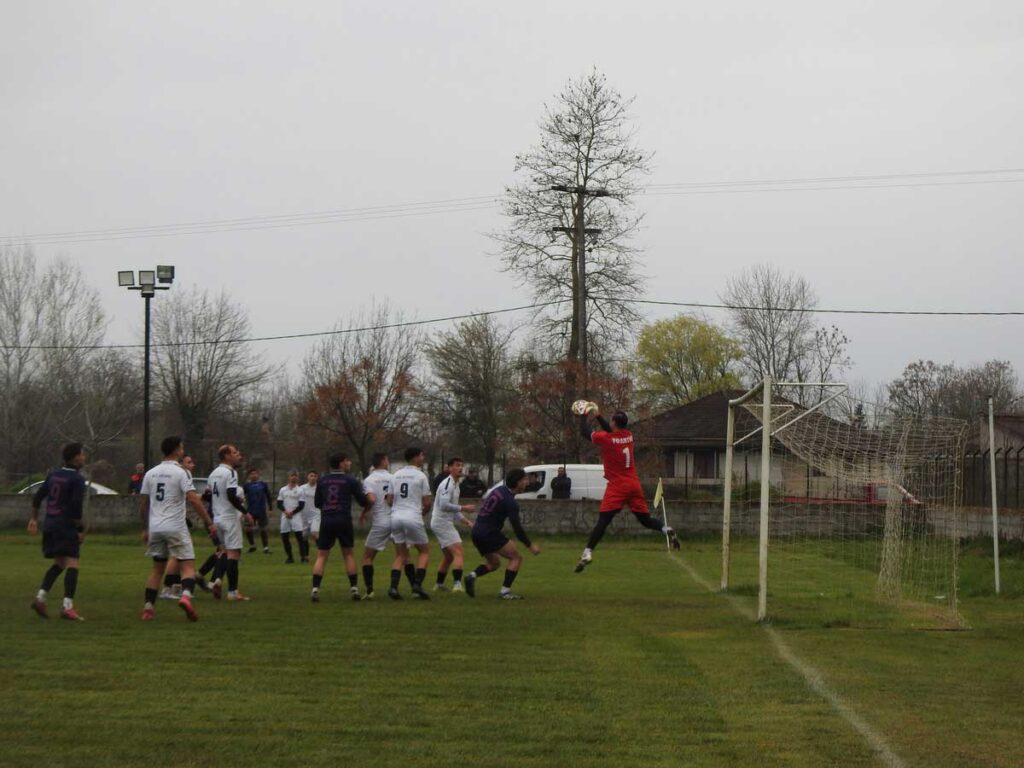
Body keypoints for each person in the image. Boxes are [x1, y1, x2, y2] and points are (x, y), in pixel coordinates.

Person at [575, 407, 679, 573]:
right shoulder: (628, 436)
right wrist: (599, 416)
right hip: (633, 484)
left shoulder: (607, 439)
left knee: (603, 521)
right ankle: (665, 529)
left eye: (611, 420)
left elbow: (585, 433)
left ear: (614, 422)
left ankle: (588, 552)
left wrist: (582, 415)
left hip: (618, 486)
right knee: (645, 520)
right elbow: (612, 431)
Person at [138, 436, 217, 621]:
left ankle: (148, 608)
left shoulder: (150, 473)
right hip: (175, 526)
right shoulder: (181, 473)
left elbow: (143, 505)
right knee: (187, 566)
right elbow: (193, 499)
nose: (183, 450)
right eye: (181, 448)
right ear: (176, 450)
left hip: (156, 527)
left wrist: (145, 528)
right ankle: (186, 597)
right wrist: (208, 522)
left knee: (157, 569)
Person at [28, 442, 88, 621]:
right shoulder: (77, 480)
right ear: (76, 457)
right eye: (82, 454)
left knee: (60, 563)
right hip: (65, 525)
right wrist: (79, 529)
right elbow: (76, 507)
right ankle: (67, 607)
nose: (84, 457)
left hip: (50, 524)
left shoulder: (53, 474)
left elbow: (38, 497)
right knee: (72, 563)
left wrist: (33, 518)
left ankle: (40, 598)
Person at [465, 468, 541, 600]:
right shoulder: (510, 502)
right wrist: (530, 546)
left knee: (494, 563)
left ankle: (472, 576)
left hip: (477, 531)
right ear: (518, 482)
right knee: (516, 558)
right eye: (525, 479)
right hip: (489, 533)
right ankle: (505, 592)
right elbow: (517, 528)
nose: (527, 482)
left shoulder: (498, 490)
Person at [310, 453, 373, 603]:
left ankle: (315, 589)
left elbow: (317, 503)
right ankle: (354, 589)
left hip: (327, 519)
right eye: (347, 461)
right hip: (343, 519)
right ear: (341, 464)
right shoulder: (350, 480)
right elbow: (363, 501)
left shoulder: (323, 480)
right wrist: (369, 498)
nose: (349, 463)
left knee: (322, 555)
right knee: (348, 554)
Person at [207, 445, 254, 601]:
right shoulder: (230, 472)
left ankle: (217, 580)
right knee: (234, 554)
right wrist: (245, 512)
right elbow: (231, 495)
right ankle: (233, 592)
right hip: (229, 518)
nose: (238, 455)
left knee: (224, 552)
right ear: (227, 456)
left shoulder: (213, 473)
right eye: (235, 453)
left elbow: (209, 495)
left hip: (217, 518)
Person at [387, 446, 433, 600]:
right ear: (414, 457)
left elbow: (389, 499)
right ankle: (417, 584)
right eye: (421, 455)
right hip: (412, 516)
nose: (423, 458)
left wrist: (397, 508)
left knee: (401, 554)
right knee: (424, 551)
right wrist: (422, 513)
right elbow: (427, 502)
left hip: (396, 517)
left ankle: (393, 587)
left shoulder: (396, 474)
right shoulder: (421, 476)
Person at [429, 457, 475, 592]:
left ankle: (438, 585)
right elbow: (444, 505)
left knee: (449, 556)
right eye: (456, 465)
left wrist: (465, 520)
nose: (460, 468)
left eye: (461, 465)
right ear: (449, 468)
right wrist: (464, 508)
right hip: (441, 523)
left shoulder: (456, 485)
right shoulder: (447, 484)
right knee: (458, 552)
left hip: (443, 522)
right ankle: (457, 585)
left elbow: (453, 508)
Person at [359, 452, 395, 599]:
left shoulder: (369, 480)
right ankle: (412, 586)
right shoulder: (393, 478)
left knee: (367, 557)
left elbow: (372, 499)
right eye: (387, 459)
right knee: (403, 556)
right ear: (384, 461)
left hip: (381, 522)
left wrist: (364, 511)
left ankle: (369, 590)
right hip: (396, 519)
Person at [277, 470, 306, 564]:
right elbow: (279, 504)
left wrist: (292, 513)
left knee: (299, 537)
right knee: (285, 537)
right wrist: (285, 512)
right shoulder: (283, 490)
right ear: (288, 477)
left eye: (295, 476)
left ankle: (303, 557)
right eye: (292, 475)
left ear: (297, 477)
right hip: (285, 516)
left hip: (296, 516)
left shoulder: (301, 490)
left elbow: (301, 505)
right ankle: (290, 557)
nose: (293, 477)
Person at [243, 468, 273, 554]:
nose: (254, 475)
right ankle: (252, 545)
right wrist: (243, 510)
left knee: (263, 529)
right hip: (250, 511)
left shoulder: (263, 484)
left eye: (255, 474)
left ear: (258, 475)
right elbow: (242, 497)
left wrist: (270, 509)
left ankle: (266, 548)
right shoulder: (247, 486)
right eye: (252, 474)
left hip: (261, 510)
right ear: (249, 476)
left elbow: (268, 496)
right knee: (247, 529)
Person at [298, 470, 321, 552]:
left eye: (315, 476)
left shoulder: (319, 488)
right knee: (304, 536)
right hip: (304, 515)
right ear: (308, 477)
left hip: (316, 514)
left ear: (317, 478)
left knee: (315, 534)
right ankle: (305, 556)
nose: (313, 478)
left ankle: (321, 552)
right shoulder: (302, 488)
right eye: (311, 476)